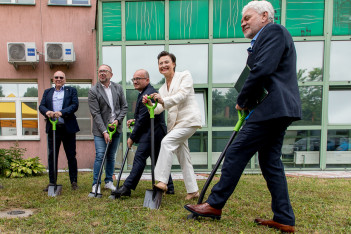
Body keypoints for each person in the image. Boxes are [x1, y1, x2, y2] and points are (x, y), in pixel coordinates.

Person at [184, 1, 301, 233]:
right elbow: (257, 71)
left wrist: (244, 101)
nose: (243, 22)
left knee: (236, 151)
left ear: (265, 16)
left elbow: (262, 70)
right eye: (241, 20)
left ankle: (215, 205)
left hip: (272, 108)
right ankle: (284, 217)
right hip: (274, 110)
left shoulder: (274, 31)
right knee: (270, 163)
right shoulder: (259, 42)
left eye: (247, 17)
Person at [143, 51, 202, 200]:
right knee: (184, 157)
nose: (163, 65)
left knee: (167, 142)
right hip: (176, 125)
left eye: (166, 62)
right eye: (160, 63)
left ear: (173, 64)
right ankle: (193, 190)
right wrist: (151, 105)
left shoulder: (185, 76)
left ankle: (162, 181)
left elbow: (181, 96)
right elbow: (158, 110)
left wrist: (163, 100)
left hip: (189, 120)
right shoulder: (163, 88)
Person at [112, 69, 174, 197]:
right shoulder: (144, 92)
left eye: (138, 79)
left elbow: (144, 119)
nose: (135, 81)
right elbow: (143, 117)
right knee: (158, 160)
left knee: (139, 157)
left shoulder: (149, 93)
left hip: (152, 132)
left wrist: (132, 137)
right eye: (133, 79)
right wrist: (135, 120)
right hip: (154, 131)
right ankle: (170, 187)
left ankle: (127, 187)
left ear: (147, 80)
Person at [88, 64, 128, 193]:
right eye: (100, 71)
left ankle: (109, 181)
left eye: (105, 71)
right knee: (100, 155)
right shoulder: (93, 91)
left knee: (111, 156)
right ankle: (96, 184)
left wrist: (117, 120)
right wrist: (104, 131)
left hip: (115, 128)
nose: (102, 73)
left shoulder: (118, 88)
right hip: (100, 130)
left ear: (111, 74)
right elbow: (95, 113)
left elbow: (124, 107)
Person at [39, 71, 80, 191]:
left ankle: (74, 182)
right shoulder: (47, 92)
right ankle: (52, 182)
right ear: (53, 79)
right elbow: (41, 106)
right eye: (56, 77)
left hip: (68, 128)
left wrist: (62, 112)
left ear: (65, 79)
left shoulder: (71, 90)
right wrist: (47, 112)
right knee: (52, 155)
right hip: (53, 129)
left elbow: (75, 105)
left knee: (71, 156)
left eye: (61, 77)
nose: (58, 79)